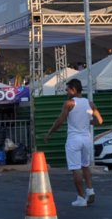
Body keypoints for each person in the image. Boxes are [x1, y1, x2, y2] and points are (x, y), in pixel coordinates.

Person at [44, 78, 104, 207]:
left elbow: (60, 121)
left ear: (74, 90)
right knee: (85, 166)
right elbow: (99, 120)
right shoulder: (90, 103)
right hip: (86, 139)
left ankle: (81, 198)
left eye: (67, 89)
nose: (66, 91)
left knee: (76, 169)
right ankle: (90, 190)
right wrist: (88, 122)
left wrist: (50, 133)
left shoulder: (69, 104)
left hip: (74, 140)